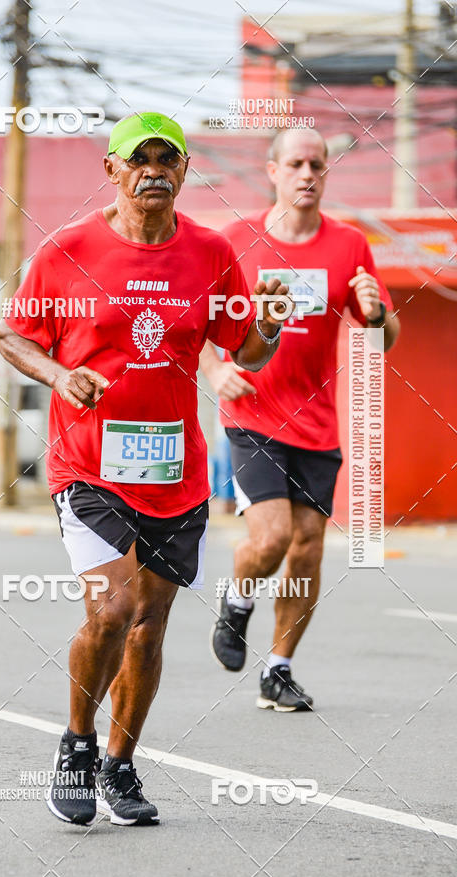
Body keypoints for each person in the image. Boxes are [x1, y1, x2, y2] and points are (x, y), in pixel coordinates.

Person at [0, 111, 291, 826]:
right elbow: (12, 333)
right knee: (113, 607)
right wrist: (62, 375)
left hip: (175, 474)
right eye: (140, 157)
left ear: (185, 171)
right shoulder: (68, 251)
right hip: (88, 466)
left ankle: (121, 767)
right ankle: (75, 744)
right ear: (113, 170)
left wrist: (271, 325)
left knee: (150, 628)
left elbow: (243, 350)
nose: (153, 169)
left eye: (169, 158)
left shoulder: (212, 252)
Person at [201, 127, 400, 712]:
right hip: (252, 414)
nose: (307, 173)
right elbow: (198, 328)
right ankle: (237, 601)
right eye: (296, 163)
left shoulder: (349, 246)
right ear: (273, 171)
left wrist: (377, 313)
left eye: (317, 164)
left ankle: (279, 668)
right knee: (273, 537)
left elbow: (384, 337)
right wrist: (216, 375)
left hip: (317, 424)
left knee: (309, 548)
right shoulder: (236, 242)